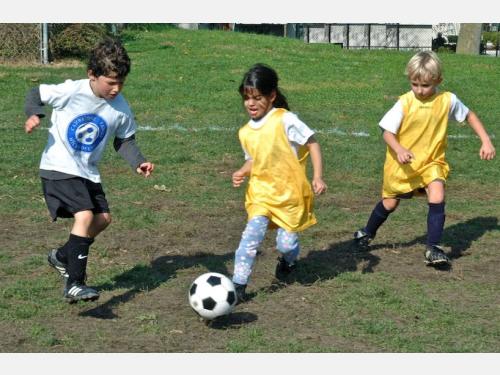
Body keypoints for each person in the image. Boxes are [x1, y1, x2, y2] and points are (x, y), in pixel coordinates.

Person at [24, 38, 155, 303]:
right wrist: (35, 113)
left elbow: (124, 139)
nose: (116, 88)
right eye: (110, 82)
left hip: (87, 171)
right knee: (84, 216)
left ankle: (62, 257)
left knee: (102, 219)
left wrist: (137, 160)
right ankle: (74, 283)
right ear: (92, 75)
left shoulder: (121, 107)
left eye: (121, 82)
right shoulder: (72, 91)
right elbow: (36, 93)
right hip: (58, 166)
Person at [354, 51, 495, 267]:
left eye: (425, 85)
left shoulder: (448, 100)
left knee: (437, 195)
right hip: (404, 165)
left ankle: (433, 248)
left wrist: (485, 140)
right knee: (390, 203)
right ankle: (367, 232)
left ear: (438, 80)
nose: (419, 90)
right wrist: (399, 149)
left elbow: (469, 116)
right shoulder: (404, 103)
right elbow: (386, 132)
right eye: (415, 84)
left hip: (432, 162)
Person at [231, 63, 327, 302]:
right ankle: (238, 285)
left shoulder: (285, 120)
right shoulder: (245, 132)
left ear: (272, 96)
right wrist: (242, 171)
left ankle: (289, 259)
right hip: (261, 194)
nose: (251, 104)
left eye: (257, 98)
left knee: (285, 244)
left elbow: (312, 143)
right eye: (246, 98)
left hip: (289, 196)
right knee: (250, 237)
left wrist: (317, 176)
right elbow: (254, 159)